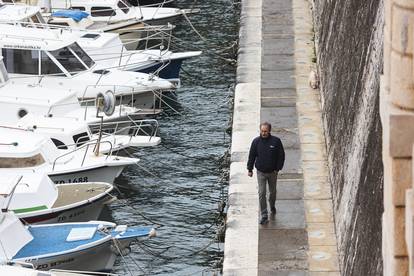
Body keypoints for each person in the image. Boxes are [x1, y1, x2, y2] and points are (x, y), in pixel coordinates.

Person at [247, 122, 285, 224]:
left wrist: (278, 168)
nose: (263, 133)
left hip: (273, 172)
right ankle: (264, 214)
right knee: (261, 193)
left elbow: (281, 156)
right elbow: (251, 156)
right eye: (262, 131)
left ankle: (272, 205)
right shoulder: (256, 142)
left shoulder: (276, 141)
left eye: (265, 131)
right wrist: (249, 169)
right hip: (260, 173)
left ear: (269, 131)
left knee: (272, 192)